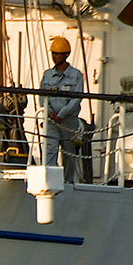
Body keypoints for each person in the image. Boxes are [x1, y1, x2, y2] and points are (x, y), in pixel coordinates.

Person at [40, 36, 85, 181]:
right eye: (53, 53)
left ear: (66, 55)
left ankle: (67, 182)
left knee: (69, 153)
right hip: (51, 120)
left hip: (68, 120)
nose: (54, 57)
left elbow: (76, 98)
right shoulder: (47, 75)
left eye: (57, 53)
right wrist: (50, 113)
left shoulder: (76, 75)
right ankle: (49, 180)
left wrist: (62, 114)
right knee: (50, 150)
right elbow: (42, 97)